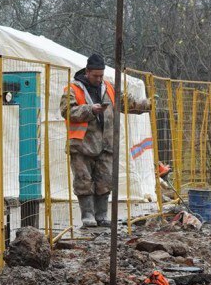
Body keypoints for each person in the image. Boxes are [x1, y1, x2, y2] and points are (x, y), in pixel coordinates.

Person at [60, 53, 149, 228]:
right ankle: (87, 215)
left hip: (106, 144)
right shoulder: (72, 89)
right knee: (83, 180)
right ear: (87, 72)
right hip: (81, 144)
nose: (99, 79)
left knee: (105, 180)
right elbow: (67, 112)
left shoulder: (108, 87)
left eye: (101, 75)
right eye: (95, 76)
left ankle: (102, 216)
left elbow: (127, 103)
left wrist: (147, 105)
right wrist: (90, 110)